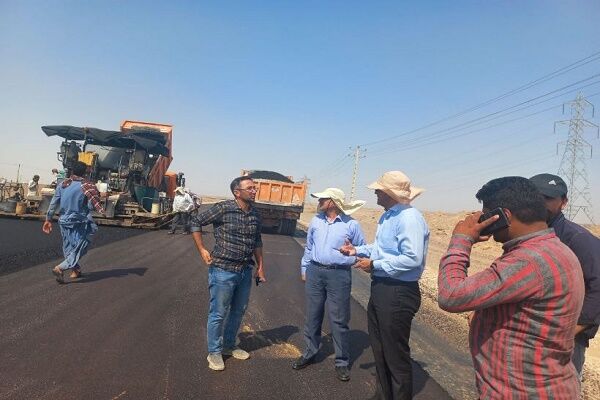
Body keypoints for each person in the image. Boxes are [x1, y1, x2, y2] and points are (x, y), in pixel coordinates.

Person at [438, 176, 584, 399]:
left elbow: (451, 295)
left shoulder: (528, 261)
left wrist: (461, 240)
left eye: (487, 215)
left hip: (521, 392)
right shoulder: (554, 249)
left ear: (504, 216)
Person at [340, 171, 429, 400]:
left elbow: (412, 258)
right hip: (383, 288)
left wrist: (375, 265)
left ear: (389, 193)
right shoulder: (389, 216)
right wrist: (357, 250)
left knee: (395, 354)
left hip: (398, 292)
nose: (376, 194)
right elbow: (381, 248)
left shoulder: (409, 218)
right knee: (380, 349)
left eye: (378, 191)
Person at [190, 176, 266, 371]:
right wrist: (202, 249)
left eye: (254, 188)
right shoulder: (224, 208)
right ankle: (214, 352)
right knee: (218, 313)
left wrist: (260, 266)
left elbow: (257, 241)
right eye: (250, 188)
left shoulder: (255, 214)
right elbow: (196, 221)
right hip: (223, 270)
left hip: (244, 271)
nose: (254, 191)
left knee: (238, 311)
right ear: (236, 192)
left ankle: (229, 345)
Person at [530, 173, 600, 379]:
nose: (541, 203)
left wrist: (569, 331)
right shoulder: (526, 235)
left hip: (562, 340)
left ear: (563, 202)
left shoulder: (578, 239)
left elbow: (598, 288)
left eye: (548, 198)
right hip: (530, 331)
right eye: (536, 197)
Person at [292, 188, 366, 382]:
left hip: (339, 275)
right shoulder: (316, 221)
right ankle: (310, 352)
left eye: (322, 198)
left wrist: (352, 254)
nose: (319, 201)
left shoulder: (352, 225)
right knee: (313, 314)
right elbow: (309, 247)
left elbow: (362, 251)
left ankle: (341, 361)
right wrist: (304, 268)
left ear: (332, 202)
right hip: (315, 271)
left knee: (339, 319)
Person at [42, 161, 105, 283]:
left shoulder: (63, 185)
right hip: (79, 222)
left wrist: (48, 219)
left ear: (71, 171)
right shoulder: (87, 186)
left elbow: (53, 203)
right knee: (81, 246)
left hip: (63, 221)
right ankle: (60, 268)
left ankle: (75, 270)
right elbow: (91, 207)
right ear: (85, 172)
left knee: (68, 247)